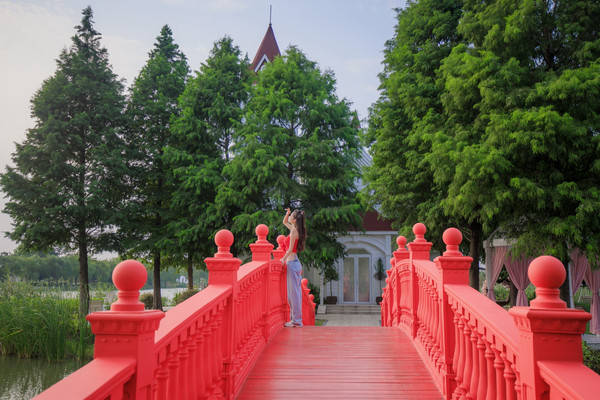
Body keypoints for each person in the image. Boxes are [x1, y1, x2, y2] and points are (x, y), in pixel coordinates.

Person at [282, 208, 307, 327]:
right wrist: (287, 214)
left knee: (294, 294)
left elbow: (290, 249)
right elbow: (284, 222)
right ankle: (296, 320)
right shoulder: (294, 229)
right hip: (294, 263)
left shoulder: (294, 232)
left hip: (292, 264)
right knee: (293, 294)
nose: (290, 217)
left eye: (291, 215)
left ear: (295, 219)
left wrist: (282, 259)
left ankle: (296, 321)